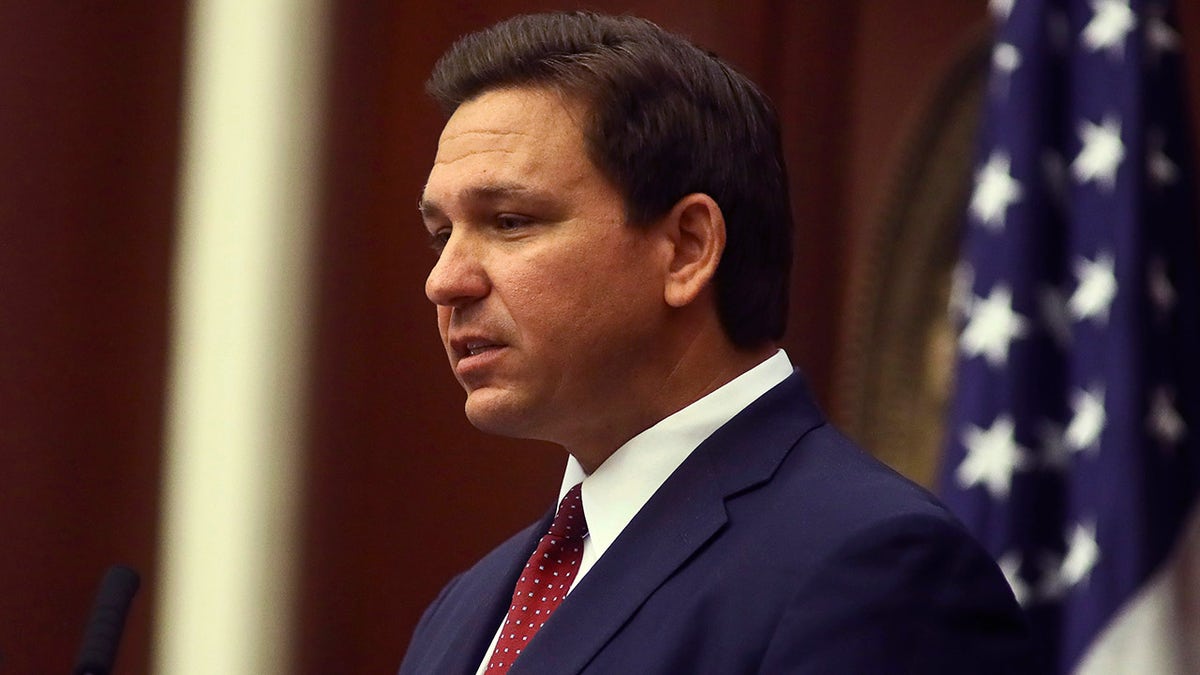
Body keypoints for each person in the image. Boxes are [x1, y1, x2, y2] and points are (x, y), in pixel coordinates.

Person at [400, 11, 1030, 674]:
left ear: (687, 248)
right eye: (442, 235)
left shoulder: (875, 567)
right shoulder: (463, 610)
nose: (445, 281)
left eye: (509, 220)